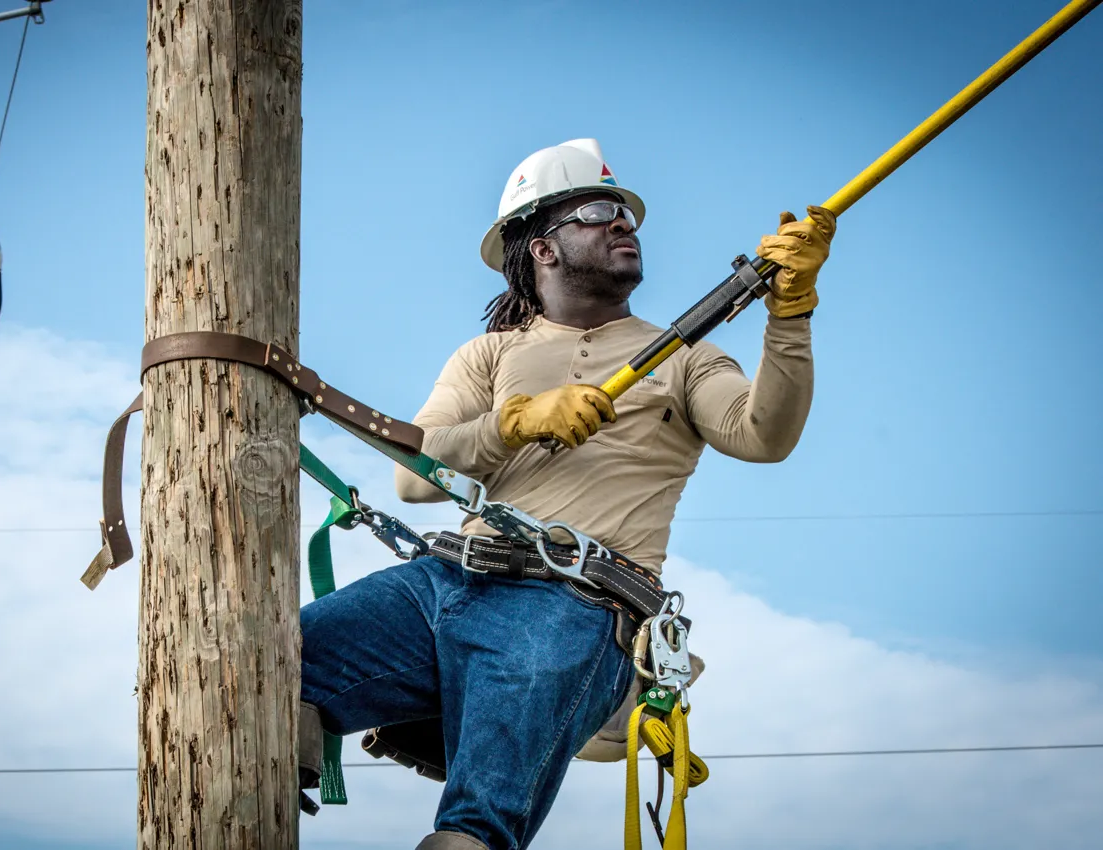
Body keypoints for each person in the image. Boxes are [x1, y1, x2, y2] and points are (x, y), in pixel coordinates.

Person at [298, 139, 836, 849]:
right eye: (598, 210)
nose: (624, 223)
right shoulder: (489, 355)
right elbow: (412, 473)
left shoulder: (689, 359)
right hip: (443, 580)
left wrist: (789, 314)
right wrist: (516, 422)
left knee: (472, 831)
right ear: (541, 248)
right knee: (263, 672)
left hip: (575, 602)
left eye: (627, 214)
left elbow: (763, 435)